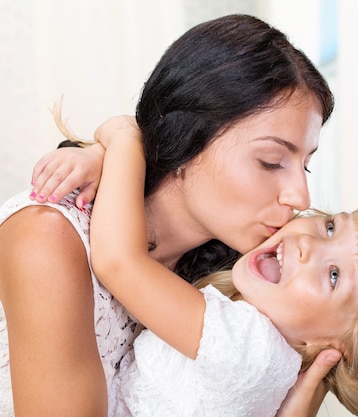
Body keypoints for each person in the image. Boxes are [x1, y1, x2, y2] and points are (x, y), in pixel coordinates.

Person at [0, 14, 338, 416]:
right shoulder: (50, 238)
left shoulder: (237, 290)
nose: (300, 195)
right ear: (187, 138)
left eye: (306, 165)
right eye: (270, 161)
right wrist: (125, 136)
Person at [90, 118, 358, 416]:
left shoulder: (247, 352)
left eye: (334, 275)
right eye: (331, 227)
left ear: (328, 348)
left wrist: (126, 139)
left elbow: (119, 262)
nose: (310, 244)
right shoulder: (271, 368)